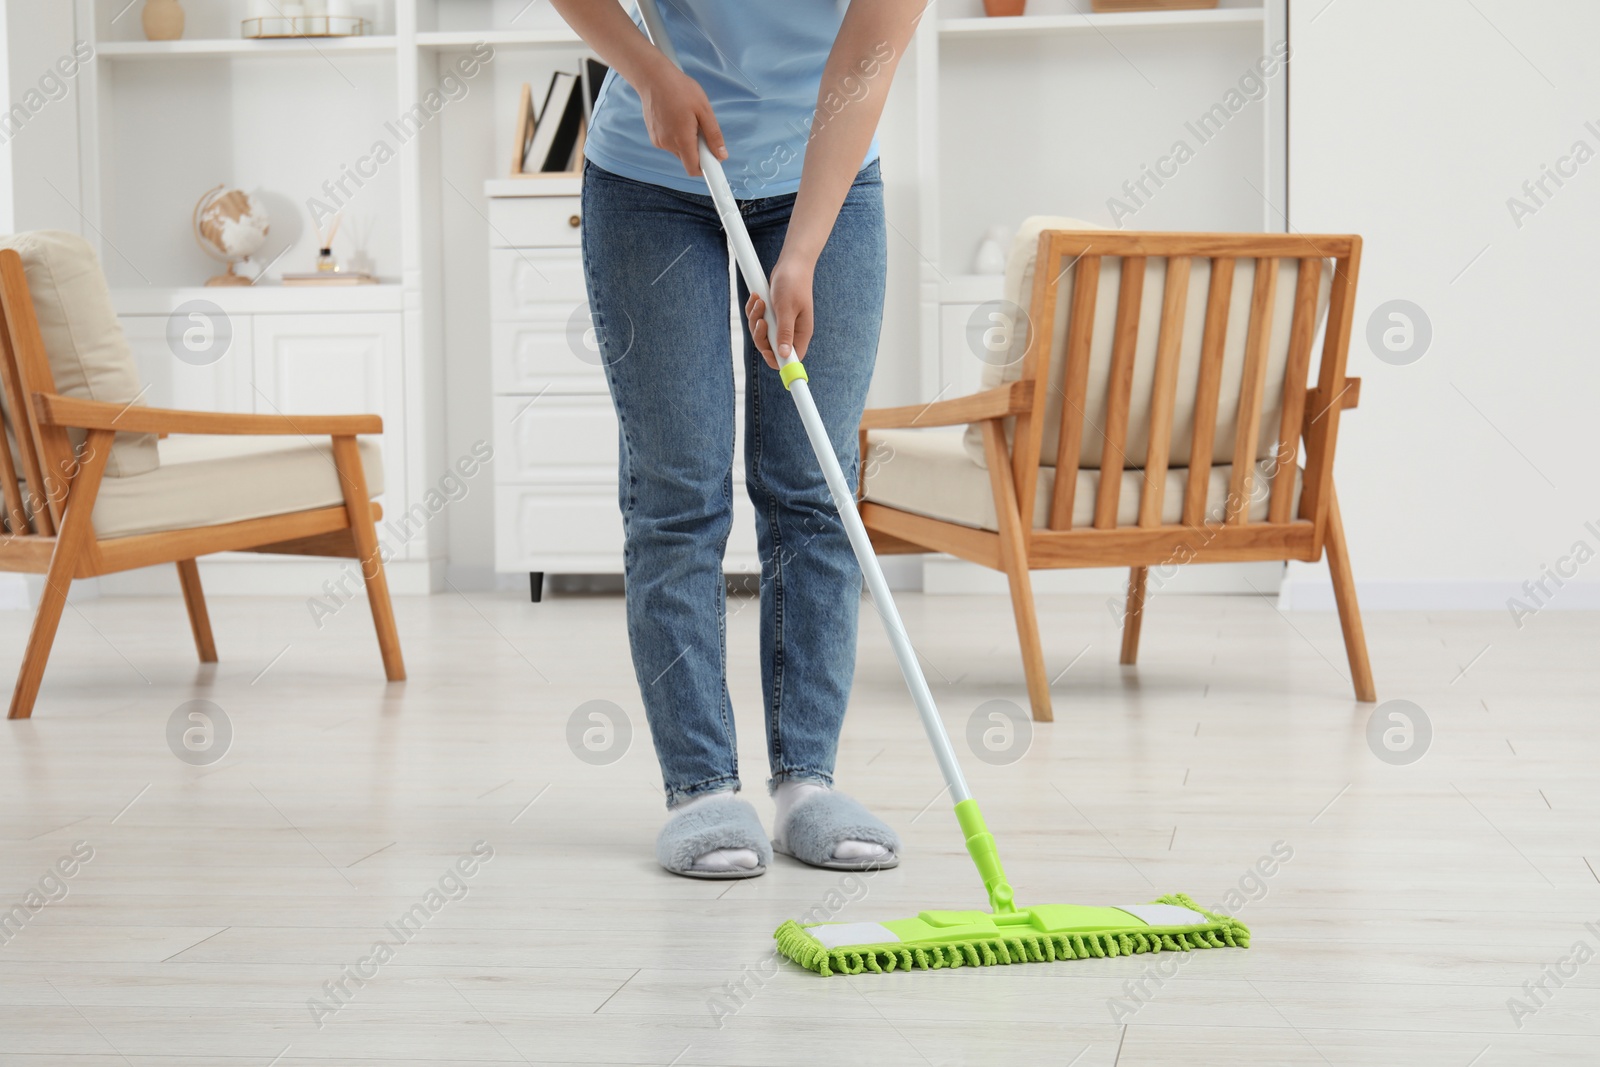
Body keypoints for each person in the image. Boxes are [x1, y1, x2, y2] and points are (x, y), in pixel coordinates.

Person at [548, 0, 923, 879]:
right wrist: (647, 71)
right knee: (678, 494)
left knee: (813, 489)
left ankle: (808, 783)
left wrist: (801, 253)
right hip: (653, 180)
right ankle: (703, 787)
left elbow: (865, 64)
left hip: (823, 175)